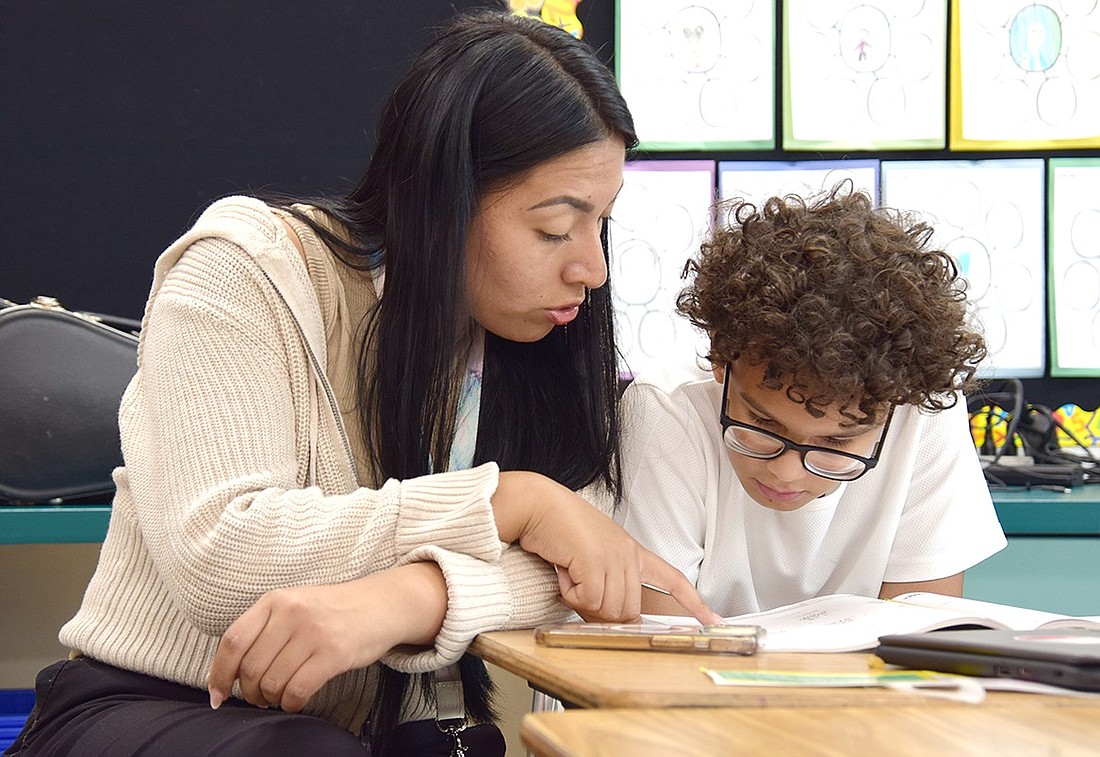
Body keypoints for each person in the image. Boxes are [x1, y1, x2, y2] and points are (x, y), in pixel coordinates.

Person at [5, 10, 718, 757]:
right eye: (553, 228)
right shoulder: (244, 270)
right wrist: (510, 500)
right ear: (443, 198)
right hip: (151, 705)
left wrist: (405, 600)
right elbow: (222, 560)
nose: (592, 268)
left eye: (600, 222)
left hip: (352, 731)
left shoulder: (544, 343)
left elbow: (579, 575)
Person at [618, 186, 1008, 619]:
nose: (785, 473)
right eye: (761, 426)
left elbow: (918, 645)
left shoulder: (923, 413)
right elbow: (657, 650)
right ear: (719, 356)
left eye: (837, 445)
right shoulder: (668, 410)